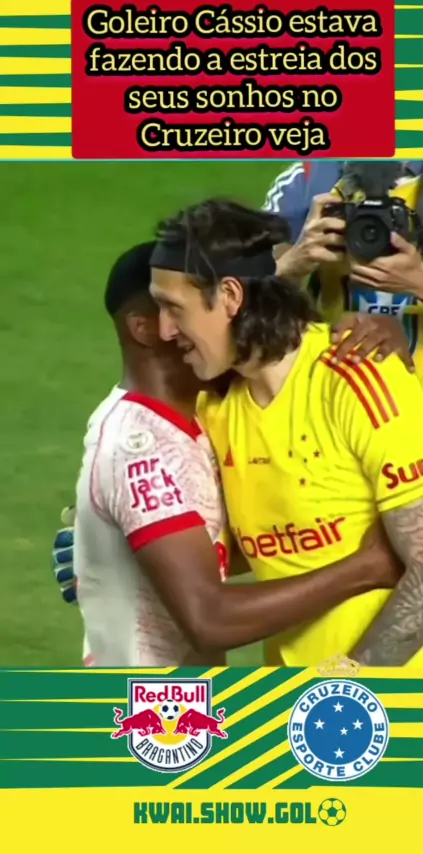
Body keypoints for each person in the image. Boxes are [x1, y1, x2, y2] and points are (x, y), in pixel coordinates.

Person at [149, 198, 423, 668]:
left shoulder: (358, 377)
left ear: (231, 297)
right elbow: (247, 545)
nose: (164, 330)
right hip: (297, 690)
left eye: (174, 308)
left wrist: (343, 683)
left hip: (405, 694)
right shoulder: (213, 407)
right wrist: (126, 537)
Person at [67, 241, 404, 667]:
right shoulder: (142, 449)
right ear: (147, 328)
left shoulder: (199, 414)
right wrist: (367, 566)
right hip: (143, 701)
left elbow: (231, 541)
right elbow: (211, 619)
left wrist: (381, 334)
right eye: (187, 307)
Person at [262, 161, 423, 533]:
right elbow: (233, 311)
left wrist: (421, 282)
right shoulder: (309, 180)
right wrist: (294, 262)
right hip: (331, 474)